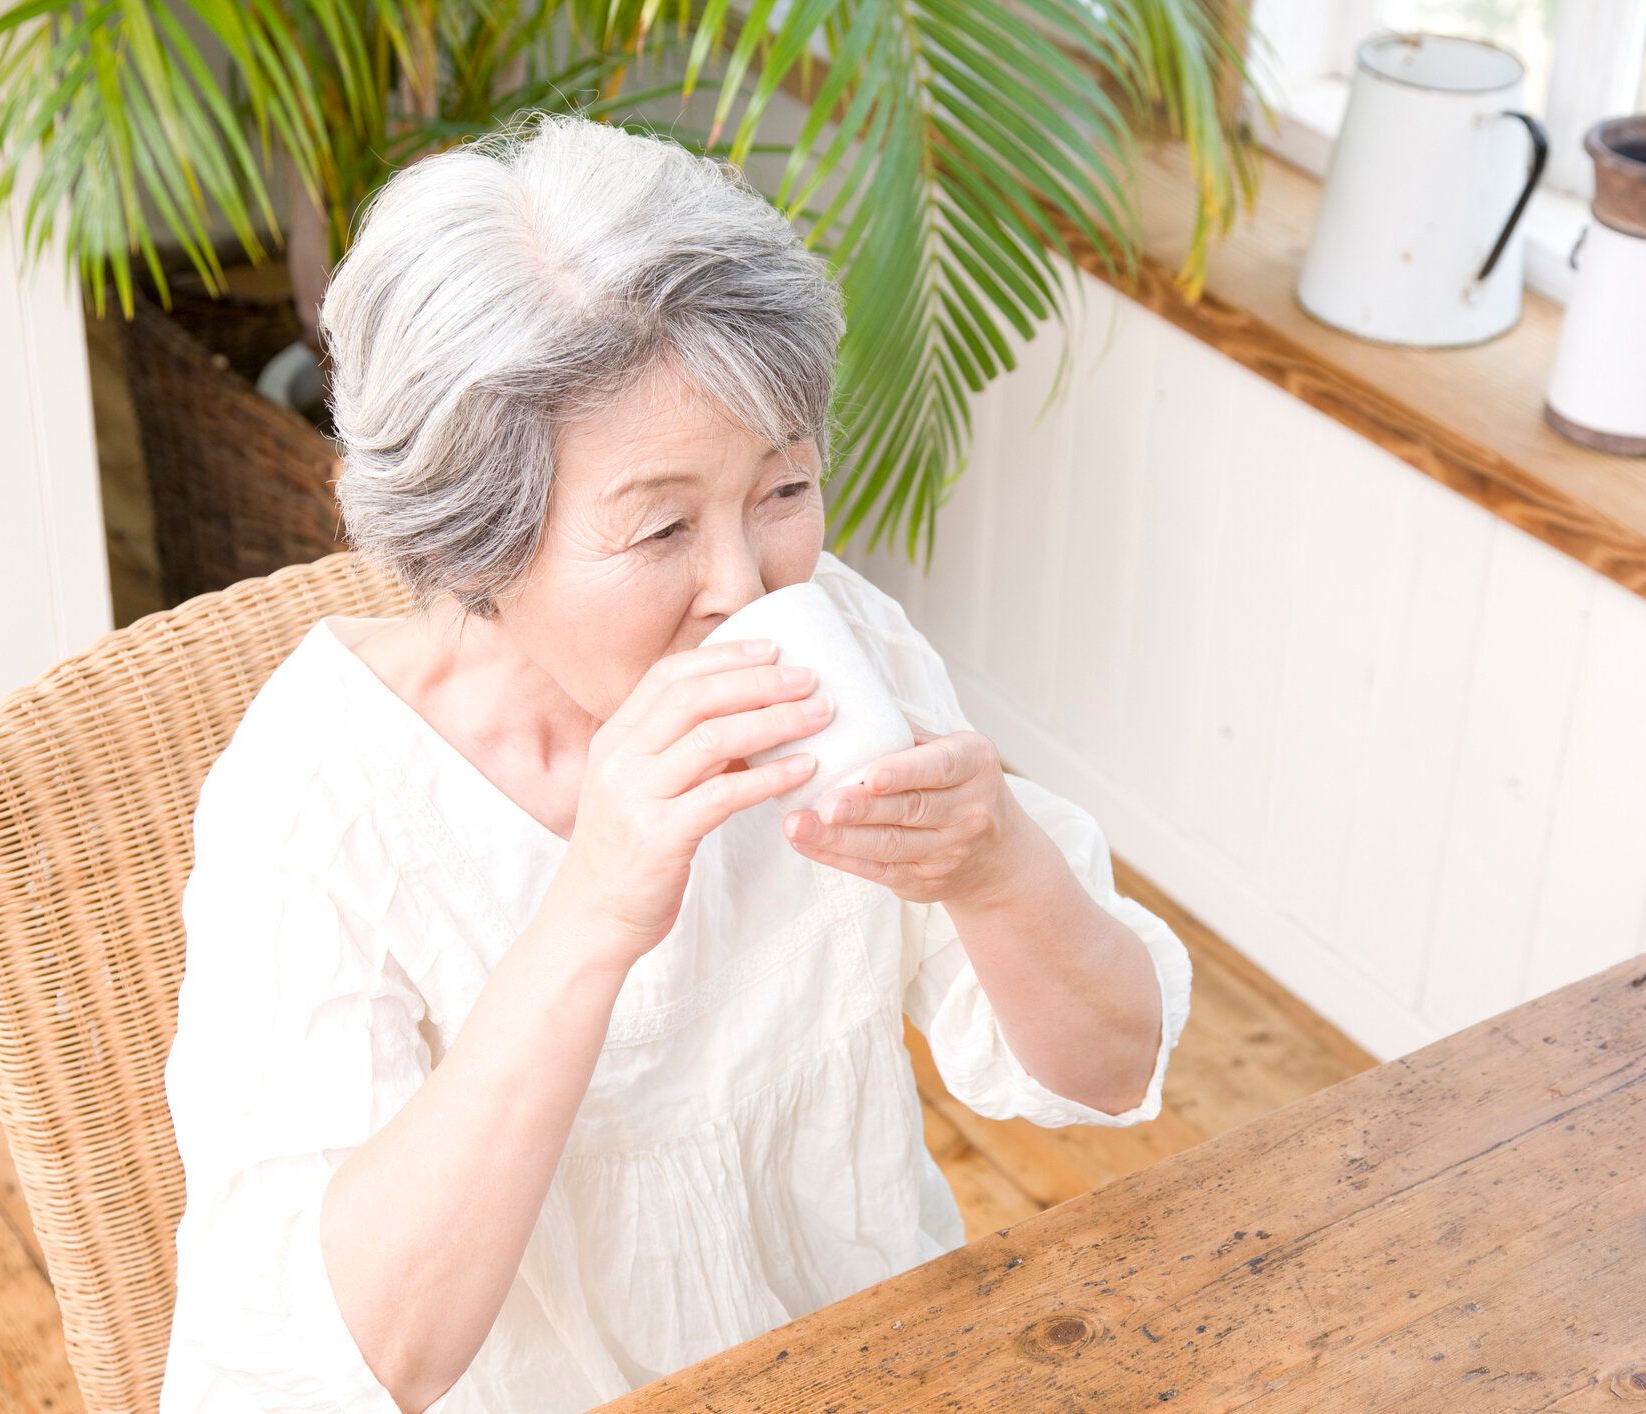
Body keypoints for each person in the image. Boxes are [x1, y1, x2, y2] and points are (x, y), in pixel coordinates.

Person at [157, 109, 1193, 1414]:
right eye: (658, 527)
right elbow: (353, 1359)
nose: (743, 583)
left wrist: (996, 870)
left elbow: (1108, 1069)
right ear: (477, 543)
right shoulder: (322, 798)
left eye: (781, 488)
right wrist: (592, 907)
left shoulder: (846, 647)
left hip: (866, 1364)